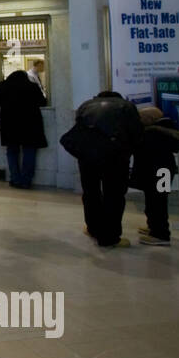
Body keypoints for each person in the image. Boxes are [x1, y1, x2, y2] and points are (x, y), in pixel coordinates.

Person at [61, 90, 144, 248]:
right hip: (115, 156)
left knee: (91, 192)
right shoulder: (126, 106)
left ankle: (93, 228)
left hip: (87, 157)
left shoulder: (85, 106)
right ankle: (110, 237)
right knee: (114, 195)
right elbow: (136, 134)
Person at [130, 106, 179, 246]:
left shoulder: (152, 133)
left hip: (157, 171)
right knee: (156, 200)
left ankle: (161, 234)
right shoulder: (166, 131)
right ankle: (153, 227)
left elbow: (140, 149)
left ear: (148, 120)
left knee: (157, 203)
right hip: (163, 170)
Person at [0, 69, 47, 188]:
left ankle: (15, 179)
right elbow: (43, 102)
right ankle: (26, 181)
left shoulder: (2, 86)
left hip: (9, 124)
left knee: (12, 151)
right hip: (30, 124)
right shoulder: (32, 86)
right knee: (29, 151)